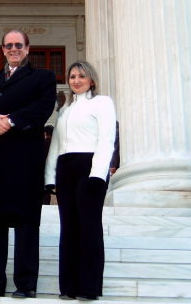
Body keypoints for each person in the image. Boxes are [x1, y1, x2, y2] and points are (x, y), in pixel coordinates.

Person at [0, 29, 56, 298]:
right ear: (2, 49)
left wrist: (7, 121)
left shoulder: (42, 77)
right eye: (9, 45)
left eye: (19, 44)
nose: (14, 48)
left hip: (24, 161)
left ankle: (26, 285)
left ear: (28, 48)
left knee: (26, 223)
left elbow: (42, 108)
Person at [45, 61, 116, 301]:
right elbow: (56, 145)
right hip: (66, 169)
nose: (76, 80)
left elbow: (106, 140)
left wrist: (98, 174)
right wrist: (49, 177)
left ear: (91, 80)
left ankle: (89, 288)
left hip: (89, 167)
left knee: (89, 228)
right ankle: (69, 287)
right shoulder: (64, 110)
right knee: (69, 229)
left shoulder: (102, 102)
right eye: (72, 76)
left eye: (81, 76)